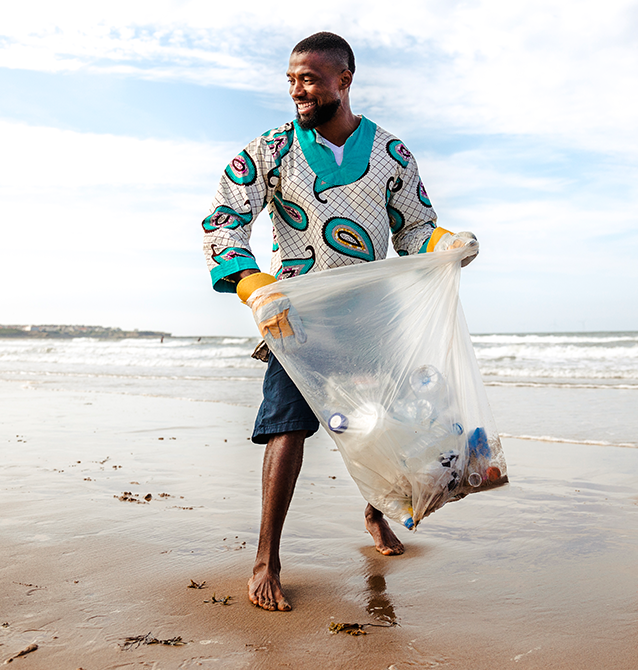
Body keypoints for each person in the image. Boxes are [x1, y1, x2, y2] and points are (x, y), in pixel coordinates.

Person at [201, 32, 478, 612]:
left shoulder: (390, 154)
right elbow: (224, 222)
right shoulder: (269, 151)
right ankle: (266, 558)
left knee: (381, 426)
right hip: (293, 318)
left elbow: (412, 229)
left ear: (343, 81)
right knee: (286, 429)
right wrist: (255, 289)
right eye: (291, 79)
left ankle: (376, 515)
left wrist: (448, 241)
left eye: (309, 79)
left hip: (372, 317)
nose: (297, 90)